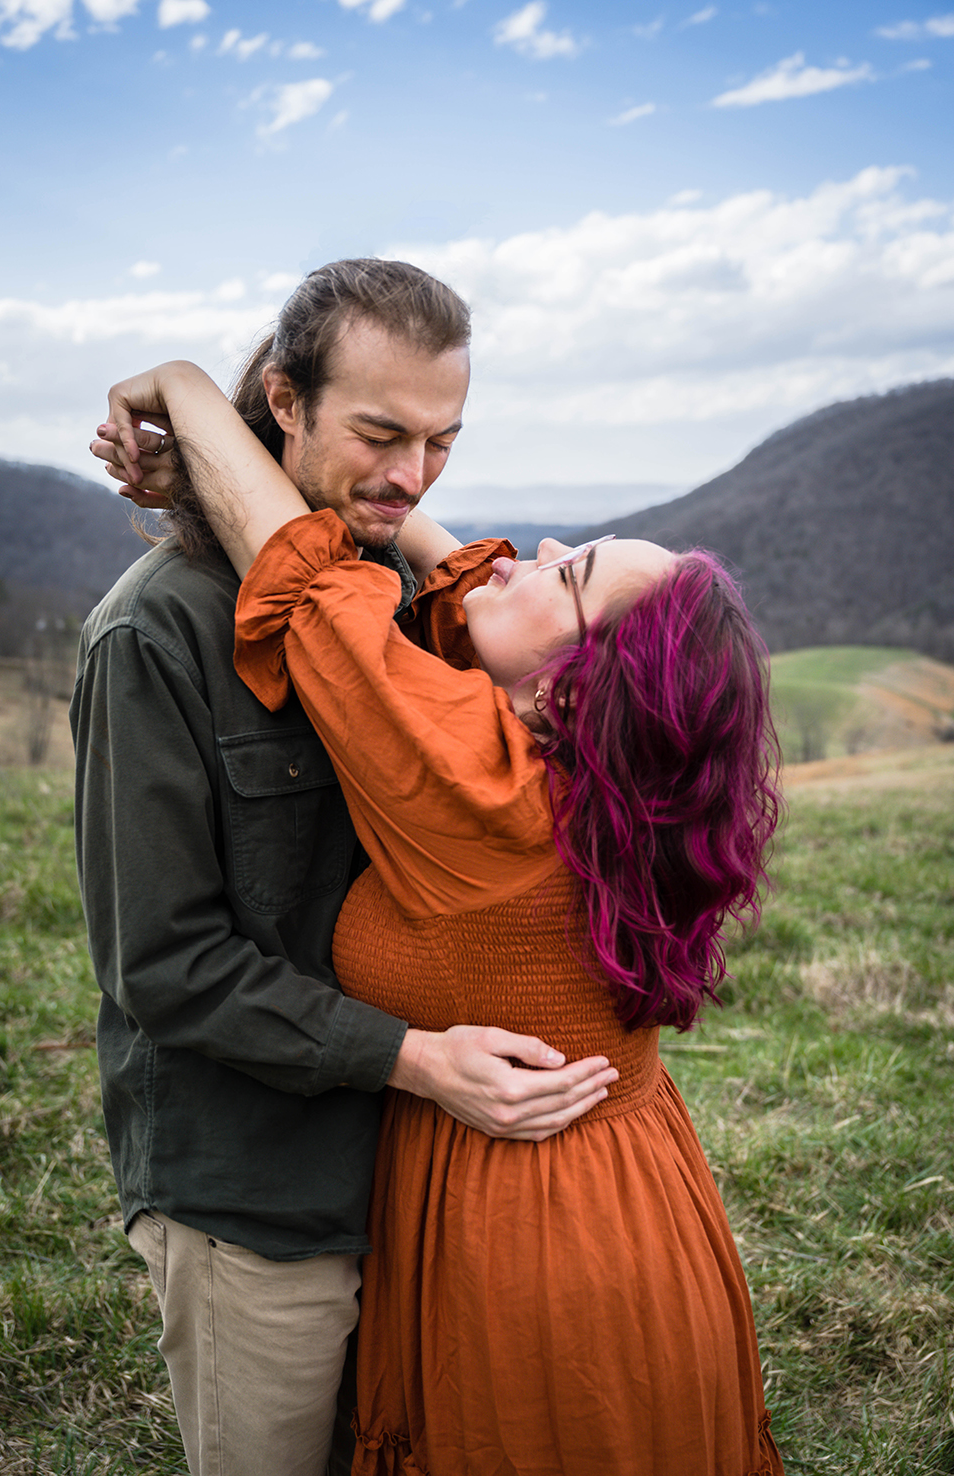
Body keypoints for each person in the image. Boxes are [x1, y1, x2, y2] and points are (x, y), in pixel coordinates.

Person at [94, 354, 786, 1476]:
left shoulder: (486, 785)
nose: (537, 552)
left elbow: (314, 585)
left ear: (568, 693)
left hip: (529, 1242)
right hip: (637, 1202)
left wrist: (182, 390)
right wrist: (383, 517)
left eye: (573, 576)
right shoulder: (609, 783)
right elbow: (481, 581)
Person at [71, 260, 618, 1476]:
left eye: (441, 440)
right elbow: (163, 964)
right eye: (380, 432)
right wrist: (418, 1061)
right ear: (284, 400)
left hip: (422, 1180)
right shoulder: (152, 633)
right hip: (257, 1193)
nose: (412, 475)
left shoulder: (373, 593)